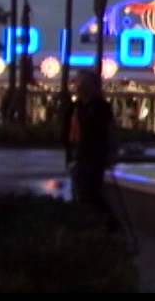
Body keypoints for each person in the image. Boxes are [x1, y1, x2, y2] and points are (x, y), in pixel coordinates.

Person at [66, 70, 118, 227]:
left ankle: (109, 223)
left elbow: (110, 130)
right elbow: (74, 131)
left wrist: (111, 151)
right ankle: (94, 222)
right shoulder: (79, 106)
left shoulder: (100, 106)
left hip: (95, 154)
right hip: (82, 153)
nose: (77, 87)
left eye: (81, 83)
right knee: (83, 191)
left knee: (91, 191)